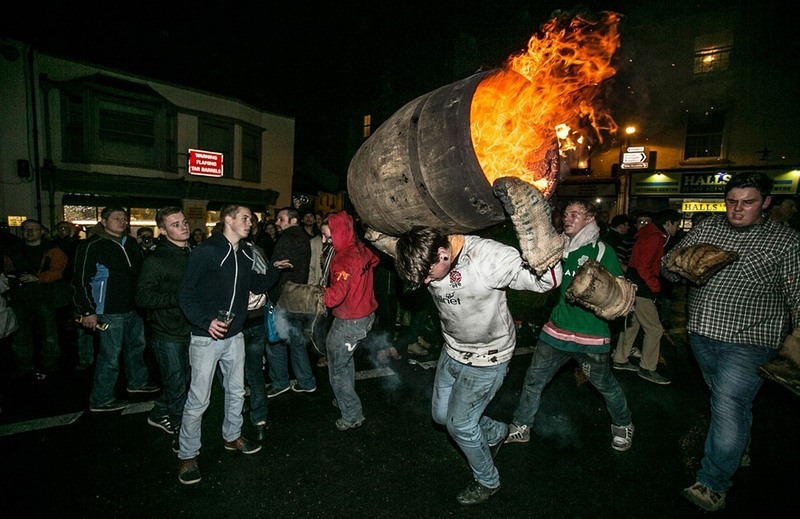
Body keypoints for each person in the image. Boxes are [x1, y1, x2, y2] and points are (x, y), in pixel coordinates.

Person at [385, 224, 562, 506]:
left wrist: (546, 254)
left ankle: (488, 481)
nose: (427, 282)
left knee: (460, 426)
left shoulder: (486, 257)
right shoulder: (423, 253)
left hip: (487, 358)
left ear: (443, 254)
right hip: (452, 350)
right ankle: (496, 432)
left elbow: (546, 282)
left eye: (429, 274)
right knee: (440, 417)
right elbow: (385, 241)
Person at [661, 172, 800, 512]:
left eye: (748, 202)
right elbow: (667, 268)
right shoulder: (708, 228)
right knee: (728, 404)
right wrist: (679, 266)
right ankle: (738, 447)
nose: (737, 209)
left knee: (727, 404)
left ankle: (712, 483)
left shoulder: (785, 241)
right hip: (701, 334)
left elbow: (797, 294)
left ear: (766, 202)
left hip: (751, 341)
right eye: (731, 201)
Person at [505, 201, 635, 457]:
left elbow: (620, 291)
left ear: (590, 218)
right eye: (565, 214)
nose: (567, 218)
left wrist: (614, 295)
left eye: (575, 214)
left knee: (605, 385)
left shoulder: (601, 251)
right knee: (534, 380)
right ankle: (522, 425)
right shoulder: (557, 248)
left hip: (591, 335)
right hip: (556, 330)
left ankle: (623, 424)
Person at [176, 204, 287, 485]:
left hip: (235, 335)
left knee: (237, 391)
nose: (251, 223)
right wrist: (206, 322)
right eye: (245, 218)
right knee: (199, 400)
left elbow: (256, 285)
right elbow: (185, 294)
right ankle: (188, 455)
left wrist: (274, 270)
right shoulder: (206, 252)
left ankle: (232, 436)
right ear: (228, 219)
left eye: (251, 219)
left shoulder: (246, 252)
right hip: (206, 338)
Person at [73, 207, 159, 412]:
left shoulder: (130, 243)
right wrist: (87, 310)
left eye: (124, 218)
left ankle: (137, 382)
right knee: (110, 356)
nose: (122, 221)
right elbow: (80, 279)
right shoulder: (91, 245)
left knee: (136, 348)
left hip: (134, 307)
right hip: (108, 310)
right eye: (116, 218)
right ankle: (101, 399)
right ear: (104, 222)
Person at [135, 207, 192, 440]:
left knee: (185, 380)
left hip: (191, 328)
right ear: (163, 230)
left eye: (184, 222)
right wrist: (179, 298)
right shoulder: (156, 260)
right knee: (176, 382)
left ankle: (159, 412)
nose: (183, 227)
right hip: (167, 332)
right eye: (175, 225)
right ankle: (181, 431)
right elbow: (142, 297)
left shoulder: (191, 253)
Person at [320, 211, 379, 430]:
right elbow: (375, 261)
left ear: (340, 233)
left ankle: (352, 414)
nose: (325, 241)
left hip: (350, 321)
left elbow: (334, 297)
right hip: (365, 315)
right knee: (345, 361)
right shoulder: (361, 248)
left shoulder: (343, 259)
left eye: (328, 237)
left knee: (337, 368)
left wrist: (315, 295)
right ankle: (344, 398)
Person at [612, 208, 682, 385]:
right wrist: (654, 286)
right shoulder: (654, 237)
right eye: (676, 224)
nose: (678, 228)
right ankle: (647, 368)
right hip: (642, 288)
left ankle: (620, 358)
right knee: (654, 329)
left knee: (632, 324)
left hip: (636, 285)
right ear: (668, 223)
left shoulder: (648, 235)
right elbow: (643, 267)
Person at [2, 219, 68, 379]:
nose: (30, 232)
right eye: (26, 229)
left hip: (44, 297)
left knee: (49, 333)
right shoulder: (13, 250)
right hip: (20, 298)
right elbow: (7, 270)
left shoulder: (52, 250)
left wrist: (38, 277)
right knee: (21, 335)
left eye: (34, 229)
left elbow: (58, 271)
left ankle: (51, 363)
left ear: (42, 231)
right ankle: (24, 365)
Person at [265, 207, 315, 397]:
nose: (277, 222)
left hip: (282, 297)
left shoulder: (287, 237)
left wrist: (271, 294)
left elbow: (276, 267)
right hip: (296, 296)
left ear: (293, 221)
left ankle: (280, 382)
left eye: (281, 219)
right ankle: (306, 381)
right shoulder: (303, 237)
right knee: (296, 340)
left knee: (275, 341)